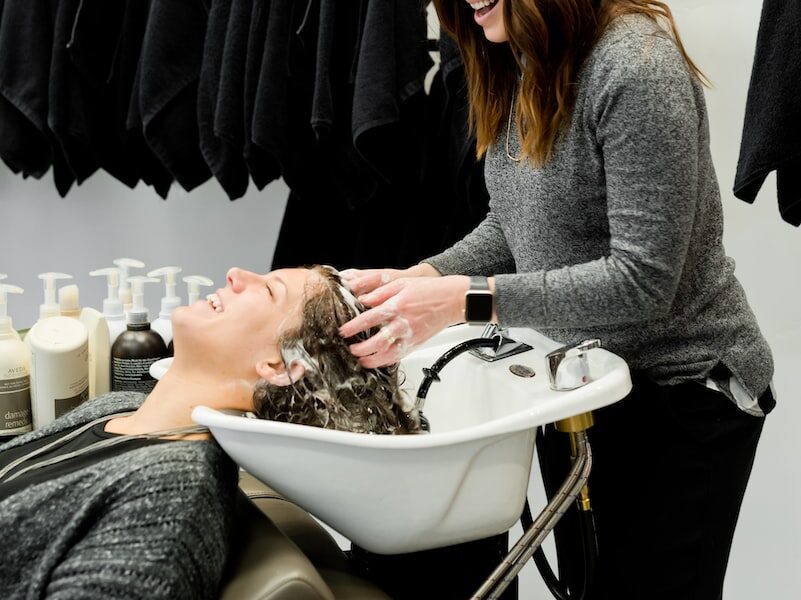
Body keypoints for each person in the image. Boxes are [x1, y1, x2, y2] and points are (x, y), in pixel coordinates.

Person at [339, 1, 775, 599]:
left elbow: (642, 280)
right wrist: (418, 278)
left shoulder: (634, 65)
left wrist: (461, 300)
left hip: (684, 394)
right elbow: (512, 225)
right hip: (589, 384)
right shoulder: (517, 57)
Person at [0, 265, 419, 599]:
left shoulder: (169, 496)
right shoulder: (118, 406)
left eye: (270, 290)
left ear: (280, 367)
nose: (236, 274)